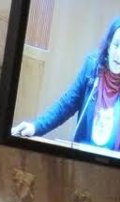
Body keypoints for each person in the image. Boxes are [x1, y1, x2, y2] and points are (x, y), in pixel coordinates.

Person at [11, 17, 120, 150]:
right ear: (109, 46)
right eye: (116, 45)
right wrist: (35, 126)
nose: (118, 54)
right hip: (84, 158)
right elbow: (66, 105)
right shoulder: (92, 68)